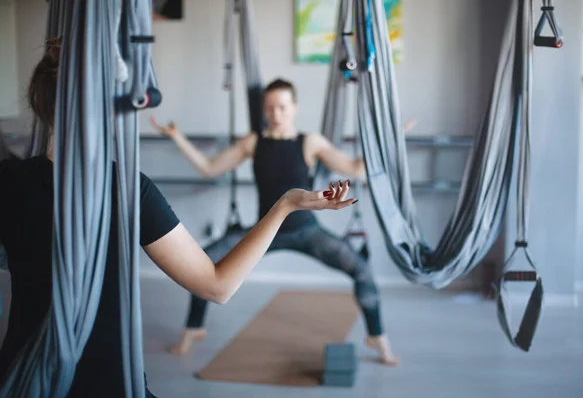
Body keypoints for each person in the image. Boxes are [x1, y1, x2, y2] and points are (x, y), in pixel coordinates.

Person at [0, 42, 356, 397]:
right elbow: (218, 286)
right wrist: (285, 205)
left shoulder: (8, 180)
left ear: (38, 104)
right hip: (105, 379)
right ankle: (192, 330)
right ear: (105, 107)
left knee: (360, 272)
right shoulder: (126, 189)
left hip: (20, 377)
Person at [150, 78, 415, 368]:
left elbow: (355, 169)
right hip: (265, 231)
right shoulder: (254, 142)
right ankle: (194, 328)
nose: (276, 114)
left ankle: (377, 338)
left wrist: (391, 142)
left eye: (282, 108)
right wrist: (177, 137)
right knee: (203, 263)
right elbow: (209, 167)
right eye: (270, 108)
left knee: (362, 271)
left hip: (306, 230)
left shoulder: (310, 142)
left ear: (294, 108)